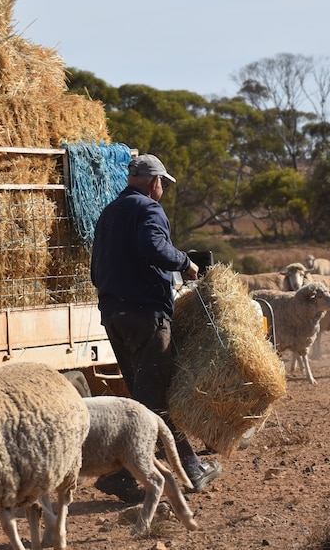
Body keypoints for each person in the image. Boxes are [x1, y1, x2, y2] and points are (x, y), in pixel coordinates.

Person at [90, 154, 221, 502]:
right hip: (146, 316)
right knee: (153, 400)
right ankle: (123, 473)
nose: (162, 188)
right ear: (153, 183)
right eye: (162, 182)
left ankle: (187, 466)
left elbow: (95, 268)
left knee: (144, 395)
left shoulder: (108, 213)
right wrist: (187, 263)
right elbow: (155, 247)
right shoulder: (148, 209)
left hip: (113, 315)